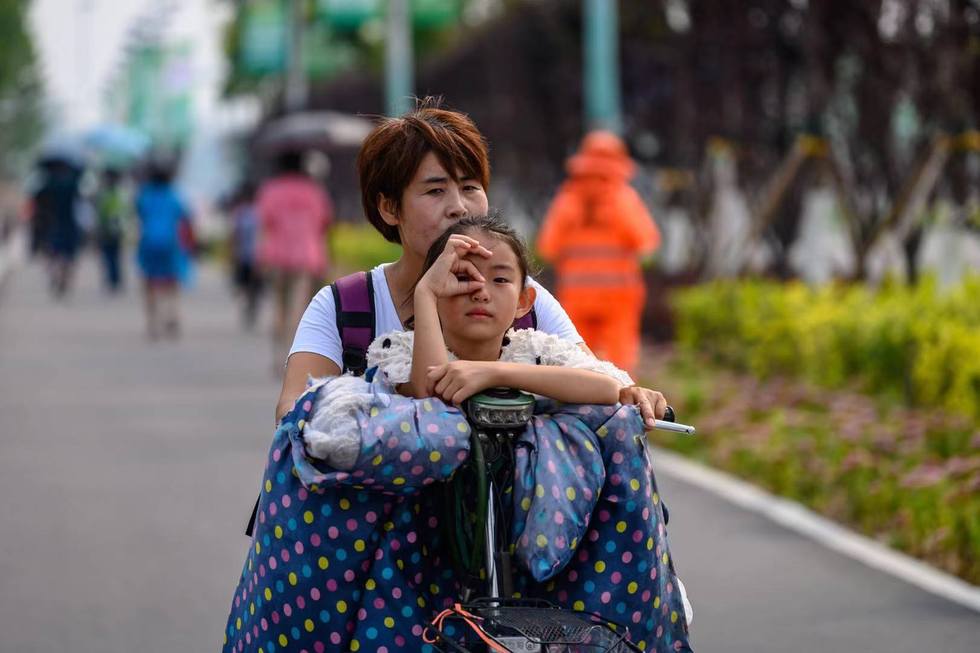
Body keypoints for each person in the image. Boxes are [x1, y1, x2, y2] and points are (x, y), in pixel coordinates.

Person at [277, 99, 668, 427]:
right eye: (435, 190)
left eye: (469, 187)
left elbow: (596, 380)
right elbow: (293, 415)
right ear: (390, 207)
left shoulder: (522, 299)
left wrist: (631, 393)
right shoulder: (346, 306)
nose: (459, 208)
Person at [371, 213, 633, 404]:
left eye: (500, 280)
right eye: (463, 278)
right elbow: (430, 399)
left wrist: (495, 374)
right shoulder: (400, 350)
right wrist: (425, 293)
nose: (481, 293)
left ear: (523, 302)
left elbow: (607, 390)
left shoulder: (536, 350)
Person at [536, 130, 661, 376]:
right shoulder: (625, 199)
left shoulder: (567, 200)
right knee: (621, 365)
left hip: (577, 297)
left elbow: (547, 248)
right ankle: (622, 407)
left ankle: (580, 406)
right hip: (619, 297)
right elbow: (647, 242)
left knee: (576, 361)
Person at [256, 152, 333, 369]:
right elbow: (323, 225)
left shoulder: (270, 189)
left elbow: (264, 225)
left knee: (278, 305)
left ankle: (277, 352)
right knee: (297, 309)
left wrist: (260, 258)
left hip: (276, 255)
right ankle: (292, 356)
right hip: (306, 256)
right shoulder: (314, 191)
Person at [135, 159, 193, 340]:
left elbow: (139, 213)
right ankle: (171, 314)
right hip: (170, 242)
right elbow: (186, 217)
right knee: (171, 281)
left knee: (149, 281)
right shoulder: (174, 196)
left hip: (148, 242)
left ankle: (153, 322)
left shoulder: (144, 195)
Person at [31, 159, 83, 298]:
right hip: (69, 224)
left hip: (52, 224)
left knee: (53, 253)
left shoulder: (47, 185)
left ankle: (56, 274)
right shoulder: (72, 184)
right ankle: (64, 277)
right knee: (68, 255)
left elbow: (37, 202)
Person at [228, 182, 263, 329]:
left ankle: (247, 305)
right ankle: (251, 307)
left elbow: (234, 235)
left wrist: (232, 252)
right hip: (258, 257)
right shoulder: (261, 211)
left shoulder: (240, 213)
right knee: (255, 287)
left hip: (243, 255)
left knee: (243, 285)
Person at [94, 168, 128, 293]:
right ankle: (115, 279)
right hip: (116, 229)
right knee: (114, 256)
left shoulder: (106, 195)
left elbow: (101, 214)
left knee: (109, 256)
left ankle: (113, 279)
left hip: (108, 229)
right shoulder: (120, 194)